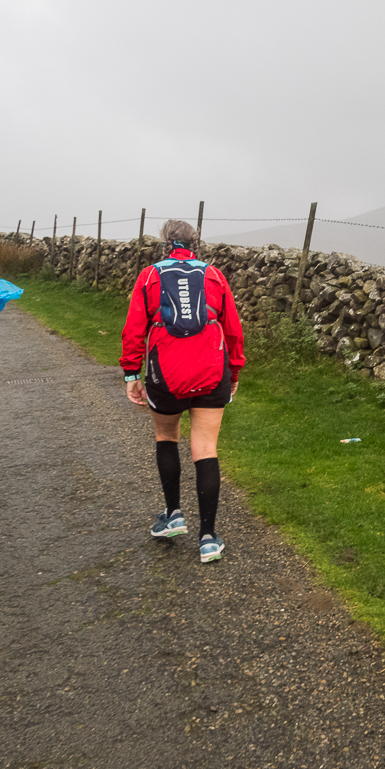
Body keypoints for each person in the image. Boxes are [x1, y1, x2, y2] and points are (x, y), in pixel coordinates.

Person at [120, 219, 244, 563]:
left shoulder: (149, 276)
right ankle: (208, 537)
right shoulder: (215, 276)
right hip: (211, 369)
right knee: (205, 448)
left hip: (166, 372)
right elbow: (232, 329)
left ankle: (173, 514)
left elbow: (134, 328)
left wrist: (132, 372)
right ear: (195, 243)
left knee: (167, 438)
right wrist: (234, 371)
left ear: (165, 244)